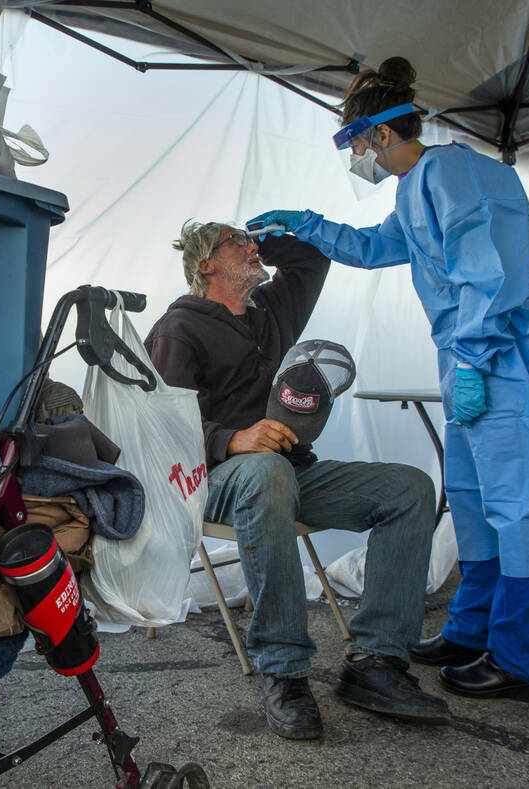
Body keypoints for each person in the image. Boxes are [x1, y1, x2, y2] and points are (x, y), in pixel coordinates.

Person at [249, 57, 529, 702]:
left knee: (521, 502)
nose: (355, 156)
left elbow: (488, 271)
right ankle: (471, 629)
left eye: (354, 143)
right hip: (469, 358)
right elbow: (373, 248)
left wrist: (474, 356)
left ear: (382, 135)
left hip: (504, 357)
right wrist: (308, 226)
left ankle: (523, 659)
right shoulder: (415, 188)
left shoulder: (451, 172)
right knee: (473, 496)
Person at [144, 220, 448, 740]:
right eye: (237, 241)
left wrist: (266, 229)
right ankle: (281, 671)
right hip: (214, 481)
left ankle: (375, 662)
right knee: (266, 472)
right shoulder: (178, 329)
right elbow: (158, 423)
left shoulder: (272, 308)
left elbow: (311, 258)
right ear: (206, 264)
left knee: (410, 488)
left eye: (251, 238)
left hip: (287, 473)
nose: (250, 247)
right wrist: (230, 439)